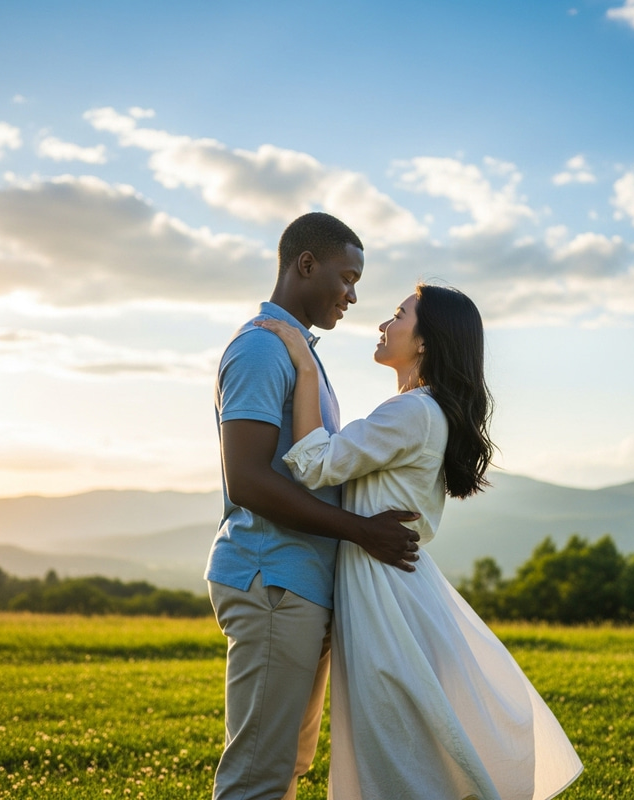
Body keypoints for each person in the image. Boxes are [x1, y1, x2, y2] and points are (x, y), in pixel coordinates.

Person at [257, 283, 584, 800]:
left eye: (398, 314)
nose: (384, 323)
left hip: (385, 593)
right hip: (393, 584)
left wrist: (302, 366)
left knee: (391, 751)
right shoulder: (421, 409)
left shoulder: (413, 412)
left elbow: (315, 464)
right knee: (401, 746)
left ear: (427, 341)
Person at [204, 212, 421, 800]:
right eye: (347, 277)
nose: (353, 296)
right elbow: (247, 480)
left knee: (287, 768)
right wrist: (360, 531)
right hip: (272, 578)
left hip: (300, 585)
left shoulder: (298, 354)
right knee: (257, 777)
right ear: (306, 265)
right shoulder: (259, 351)